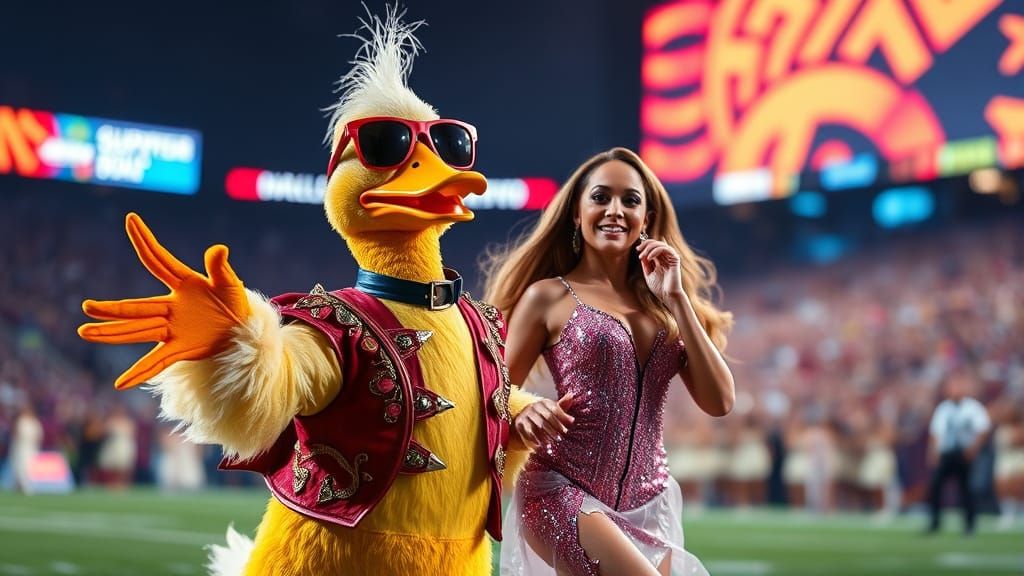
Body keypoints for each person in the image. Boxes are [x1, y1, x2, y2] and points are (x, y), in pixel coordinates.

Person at [485, 147, 734, 575]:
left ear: (647, 219)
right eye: (600, 197)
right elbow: (491, 391)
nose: (615, 210)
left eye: (630, 200)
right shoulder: (548, 296)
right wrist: (521, 412)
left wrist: (676, 298)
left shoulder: (668, 306)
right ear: (577, 216)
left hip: (651, 501)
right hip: (560, 490)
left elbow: (719, 401)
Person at [925, 369, 991, 535]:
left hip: (964, 453)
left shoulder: (973, 407)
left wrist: (974, 448)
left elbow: (983, 430)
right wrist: (934, 451)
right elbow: (935, 432)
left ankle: (969, 525)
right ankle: (934, 523)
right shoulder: (943, 408)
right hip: (947, 453)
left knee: (966, 489)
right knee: (935, 486)